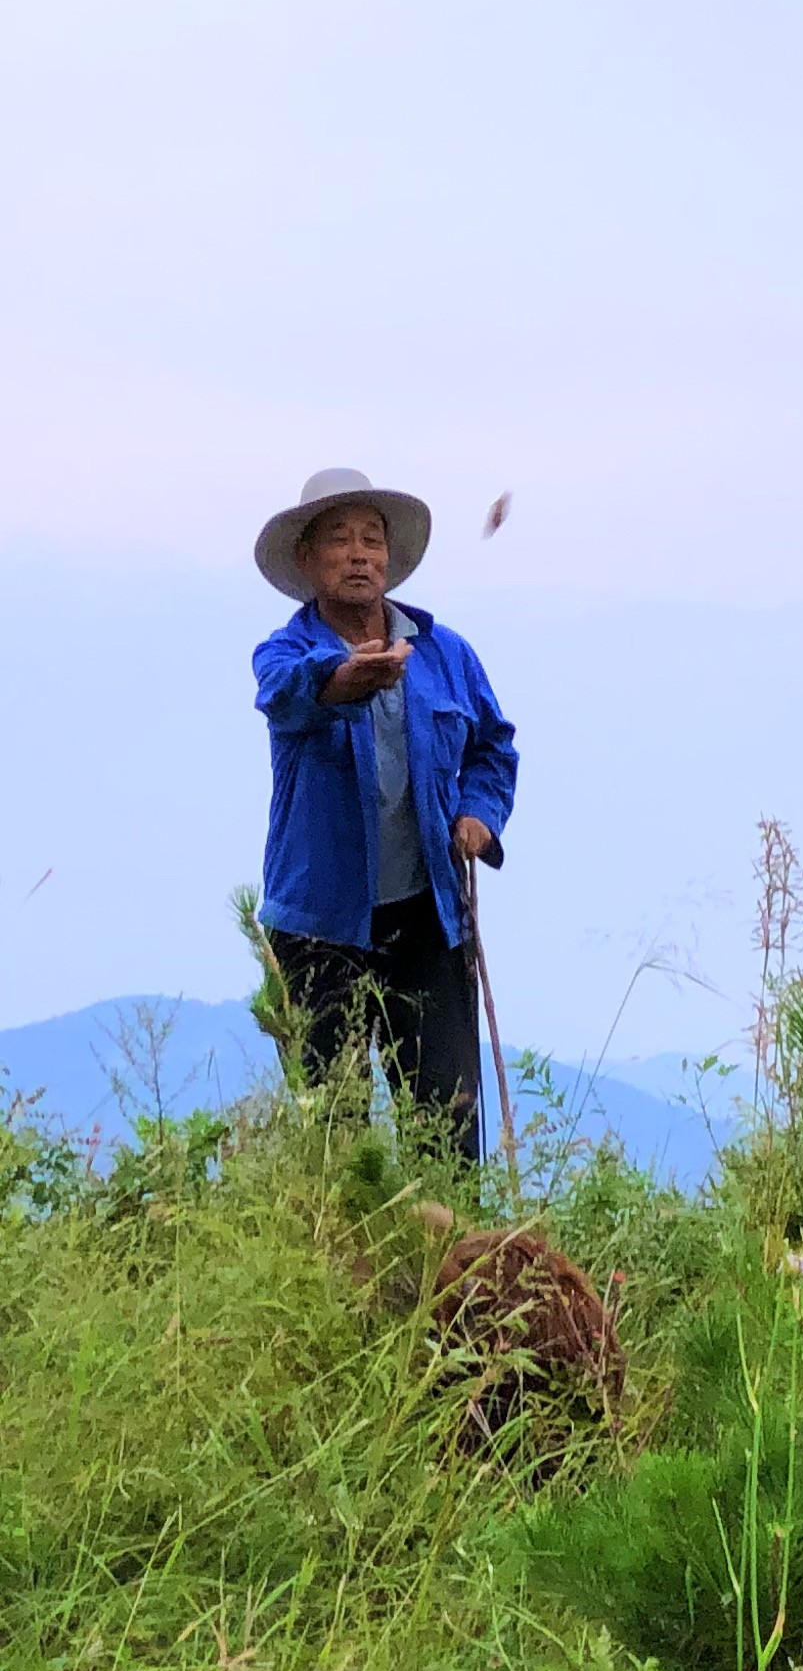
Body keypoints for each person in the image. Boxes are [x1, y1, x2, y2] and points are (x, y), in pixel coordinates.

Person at [249, 466, 519, 1160]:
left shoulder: (445, 653)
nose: (360, 553)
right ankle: (345, 1268)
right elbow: (287, 695)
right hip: (318, 925)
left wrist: (479, 814)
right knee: (336, 1130)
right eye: (339, 540)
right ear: (307, 561)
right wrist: (342, 681)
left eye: (372, 538)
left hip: (427, 917)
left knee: (447, 1123)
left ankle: (448, 1265)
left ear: (391, 559)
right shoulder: (287, 654)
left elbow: (493, 745)